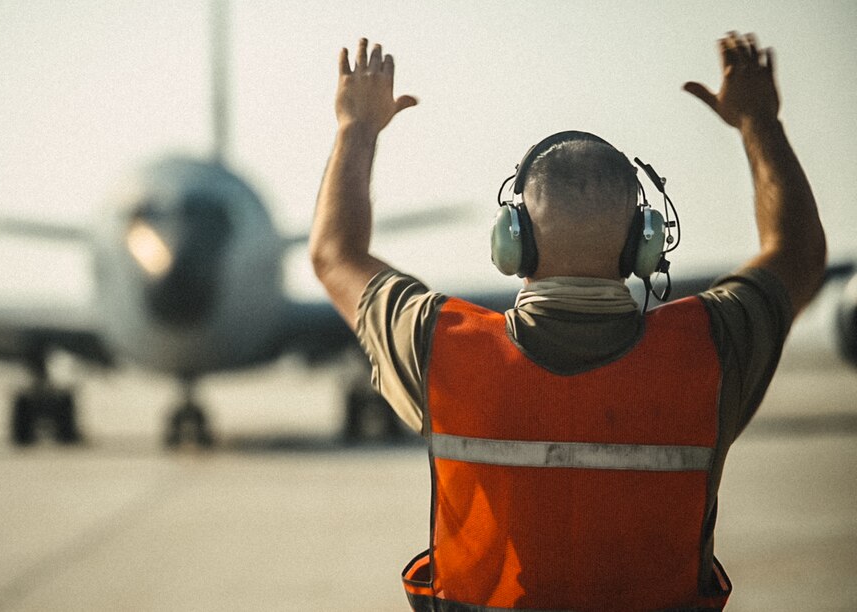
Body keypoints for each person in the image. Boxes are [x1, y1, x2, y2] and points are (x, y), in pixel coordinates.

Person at [310, 33, 826, 611]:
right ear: (644, 245)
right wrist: (759, 121)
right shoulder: (712, 348)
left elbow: (335, 254)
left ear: (514, 243)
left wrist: (355, 127)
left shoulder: (440, 346)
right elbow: (798, 255)